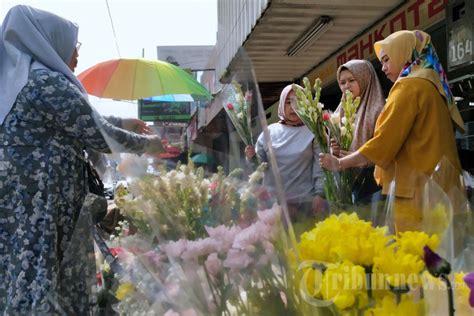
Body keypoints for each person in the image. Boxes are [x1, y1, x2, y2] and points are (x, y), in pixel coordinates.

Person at [0, 5, 164, 314]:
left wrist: (124, 123)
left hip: (26, 201)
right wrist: (147, 145)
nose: (76, 53)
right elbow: (98, 133)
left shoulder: (23, 82)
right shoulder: (45, 82)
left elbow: (75, 119)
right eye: (73, 44)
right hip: (44, 202)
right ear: (51, 41)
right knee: (44, 275)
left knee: (25, 269)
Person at [319, 30, 464, 232]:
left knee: (419, 257)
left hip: (419, 192)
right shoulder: (431, 83)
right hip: (442, 187)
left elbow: (383, 143)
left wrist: (341, 163)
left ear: (403, 53)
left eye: (387, 60)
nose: (384, 68)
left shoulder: (407, 87)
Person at [245, 84, 326, 221]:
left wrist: (320, 194)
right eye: (288, 102)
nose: (293, 107)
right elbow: (258, 168)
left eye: (298, 101)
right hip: (273, 205)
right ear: (282, 103)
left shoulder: (314, 132)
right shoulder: (269, 132)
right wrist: (251, 157)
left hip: (305, 206)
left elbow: (321, 167)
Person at [332, 59, 385, 204]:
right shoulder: (340, 111)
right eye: (342, 83)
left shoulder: (379, 110)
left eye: (351, 80)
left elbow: (384, 149)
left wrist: (357, 159)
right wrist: (335, 150)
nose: (346, 86)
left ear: (364, 79)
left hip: (375, 184)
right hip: (349, 185)